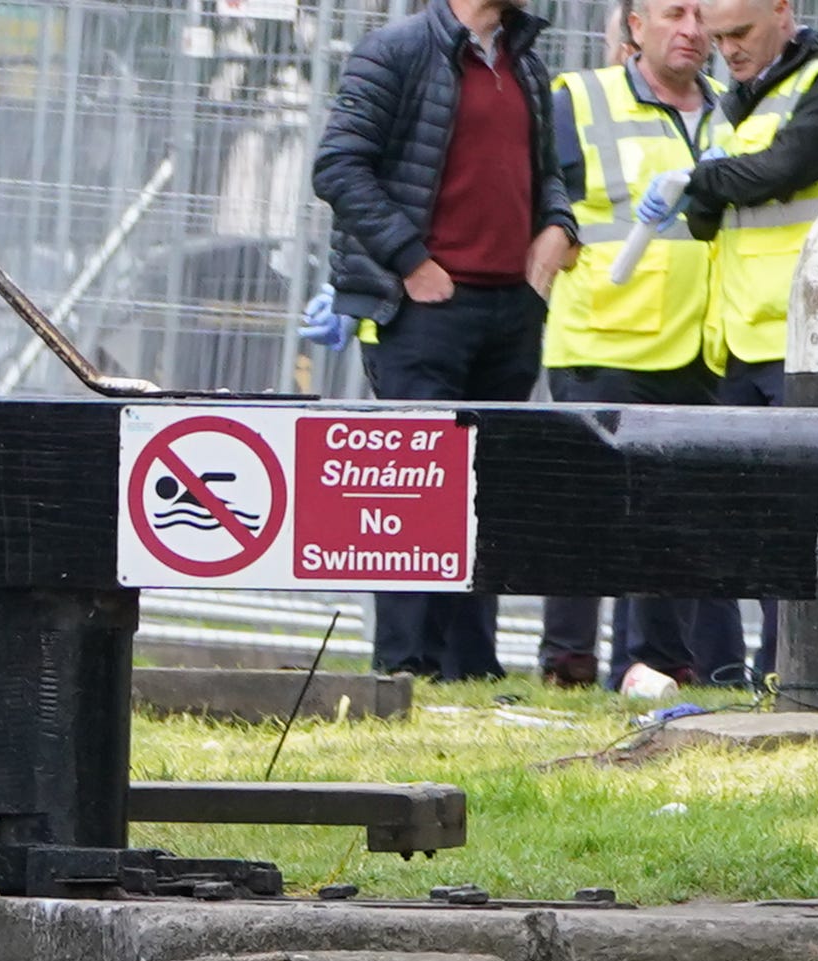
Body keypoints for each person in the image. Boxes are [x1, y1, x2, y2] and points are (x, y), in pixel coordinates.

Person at [318, 0, 563, 682]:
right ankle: (404, 669)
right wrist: (411, 261)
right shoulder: (394, 51)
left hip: (510, 312)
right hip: (423, 311)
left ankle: (472, 670)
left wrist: (557, 224)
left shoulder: (528, 66)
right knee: (414, 492)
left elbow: (548, 172)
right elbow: (338, 167)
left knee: (487, 494)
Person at [537, 0, 748, 690]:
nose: (689, 30)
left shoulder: (735, 112)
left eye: (699, 16)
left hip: (700, 342)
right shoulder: (578, 98)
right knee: (590, 509)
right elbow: (545, 196)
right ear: (633, 26)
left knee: (674, 512)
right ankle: (568, 660)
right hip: (605, 338)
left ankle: (656, 661)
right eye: (671, 13)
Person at [682, 0, 818, 400]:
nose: (728, 51)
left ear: (781, 10)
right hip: (742, 342)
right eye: (718, 39)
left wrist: (700, 178)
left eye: (741, 33)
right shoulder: (735, 104)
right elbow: (703, 221)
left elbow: (780, 171)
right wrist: (701, 190)